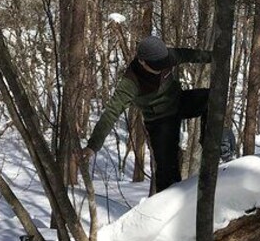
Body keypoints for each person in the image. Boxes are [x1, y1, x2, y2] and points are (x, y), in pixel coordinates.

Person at [82, 36, 211, 192]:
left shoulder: (166, 56)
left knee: (212, 97)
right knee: (167, 173)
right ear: (142, 61)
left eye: (163, 65)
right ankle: (169, 209)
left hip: (178, 102)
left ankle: (211, 146)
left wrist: (213, 56)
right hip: (159, 121)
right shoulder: (131, 82)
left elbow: (189, 55)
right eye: (156, 66)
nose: (160, 69)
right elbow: (111, 113)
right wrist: (92, 146)